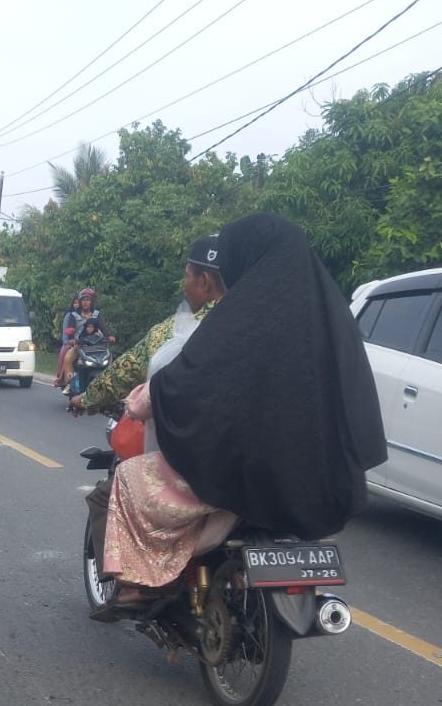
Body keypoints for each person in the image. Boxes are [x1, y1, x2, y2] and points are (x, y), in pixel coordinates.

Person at [99, 213, 386, 616]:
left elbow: (189, 383)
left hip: (242, 475)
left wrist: (146, 400)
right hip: (313, 481)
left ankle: (138, 586)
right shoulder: (330, 320)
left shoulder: (240, 319)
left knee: (129, 478)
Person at [81, 237, 226, 579]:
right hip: (262, 470)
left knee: (111, 491)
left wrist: (85, 399)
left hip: (202, 472)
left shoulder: (178, 334)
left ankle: (133, 586)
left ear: (204, 281)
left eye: (187, 276)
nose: (184, 285)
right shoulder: (261, 321)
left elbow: (129, 374)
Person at [57, 287, 110, 391]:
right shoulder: (73, 315)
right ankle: (69, 384)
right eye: (84, 300)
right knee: (68, 358)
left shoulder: (97, 314)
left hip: (97, 346)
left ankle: (109, 381)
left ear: (92, 302)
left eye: (88, 300)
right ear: (80, 302)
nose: (86, 302)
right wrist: (71, 339)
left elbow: (104, 328)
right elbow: (70, 328)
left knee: (109, 357)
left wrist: (109, 336)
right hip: (80, 346)